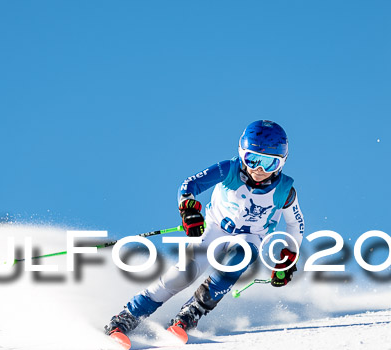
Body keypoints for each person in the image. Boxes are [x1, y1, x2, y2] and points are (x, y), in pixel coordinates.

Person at [104, 120, 305, 338]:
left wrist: (288, 257)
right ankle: (127, 317)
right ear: (241, 154)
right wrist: (189, 209)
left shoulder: (285, 190)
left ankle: (191, 313)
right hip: (216, 227)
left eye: (268, 163)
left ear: (282, 163)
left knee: (238, 260)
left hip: (252, 236)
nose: (258, 169)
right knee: (184, 273)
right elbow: (189, 185)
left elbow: (296, 224)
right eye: (252, 159)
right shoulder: (230, 169)